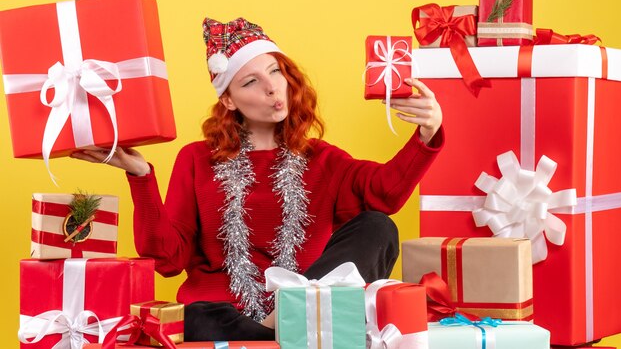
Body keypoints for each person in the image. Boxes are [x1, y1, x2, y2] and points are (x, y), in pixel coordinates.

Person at [71, 17, 444, 341]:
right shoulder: (197, 159)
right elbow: (168, 259)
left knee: (378, 227)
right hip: (225, 321)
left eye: (276, 71)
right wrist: (140, 176)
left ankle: (285, 318)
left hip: (307, 311)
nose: (271, 87)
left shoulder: (323, 159)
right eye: (250, 81)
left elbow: (386, 194)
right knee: (197, 317)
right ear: (229, 99)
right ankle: (280, 333)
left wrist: (427, 133)